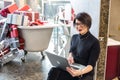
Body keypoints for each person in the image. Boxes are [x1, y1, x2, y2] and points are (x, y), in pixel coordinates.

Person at [47, 12, 100, 80]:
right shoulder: (74, 37)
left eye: (82, 24)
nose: (79, 27)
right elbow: (71, 51)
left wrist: (80, 72)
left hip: (85, 72)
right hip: (73, 68)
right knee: (54, 71)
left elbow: (91, 66)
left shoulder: (94, 42)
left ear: (88, 24)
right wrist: (70, 56)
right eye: (77, 24)